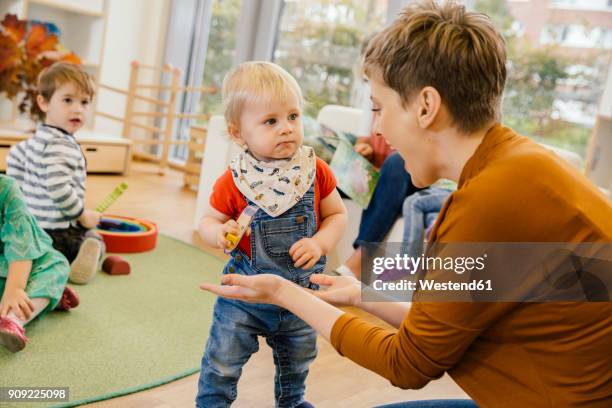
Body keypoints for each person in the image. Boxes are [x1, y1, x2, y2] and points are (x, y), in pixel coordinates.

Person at [200, 1, 612, 407]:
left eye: (379, 108)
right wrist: (362, 295)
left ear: (426, 106)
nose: (377, 127)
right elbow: (444, 318)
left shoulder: (488, 204)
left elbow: (409, 363)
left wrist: (283, 292)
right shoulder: (522, 166)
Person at [195, 61, 347, 408]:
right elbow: (207, 221)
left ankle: (292, 402)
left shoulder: (314, 169)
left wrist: (320, 242)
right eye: (271, 121)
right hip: (245, 296)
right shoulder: (235, 180)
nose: (286, 129)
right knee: (222, 362)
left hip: (301, 295)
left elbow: (337, 214)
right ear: (238, 134)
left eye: (293, 116)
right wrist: (219, 232)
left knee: (298, 363)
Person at [7, 62, 105, 285]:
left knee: (32, 250)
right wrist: (82, 215)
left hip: (31, 229)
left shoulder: (33, 141)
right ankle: (80, 255)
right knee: (94, 237)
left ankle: (33, 259)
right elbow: (59, 188)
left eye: (84, 102)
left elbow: (13, 160)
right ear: (43, 102)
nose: (77, 109)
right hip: (59, 231)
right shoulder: (62, 145)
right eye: (67, 100)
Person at [0, 175, 78, 353]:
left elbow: (21, 245)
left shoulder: (7, 189)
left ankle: (13, 318)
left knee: (56, 265)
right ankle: (46, 296)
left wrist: (16, 287)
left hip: (20, 263)